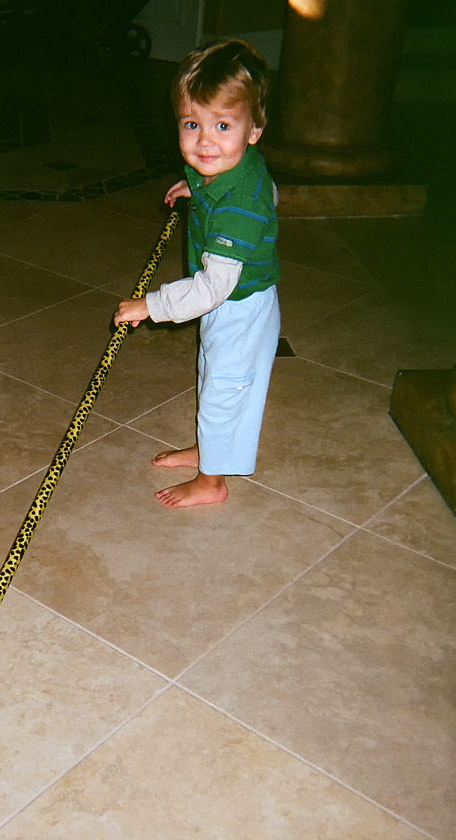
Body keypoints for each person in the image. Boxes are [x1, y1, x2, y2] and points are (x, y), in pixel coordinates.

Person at [113, 39, 280, 509]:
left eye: (222, 125)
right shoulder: (234, 168)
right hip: (235, 302)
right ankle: (211, 452)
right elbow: (262, 190)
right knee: (213, 378)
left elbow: (211, 288)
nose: (205, 141)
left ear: (254, 130)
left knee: (224, 391)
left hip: (238, 305)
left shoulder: (238, 207)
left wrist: (152, 305)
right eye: (192, 124)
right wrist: (199, 188)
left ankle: (212, 482)